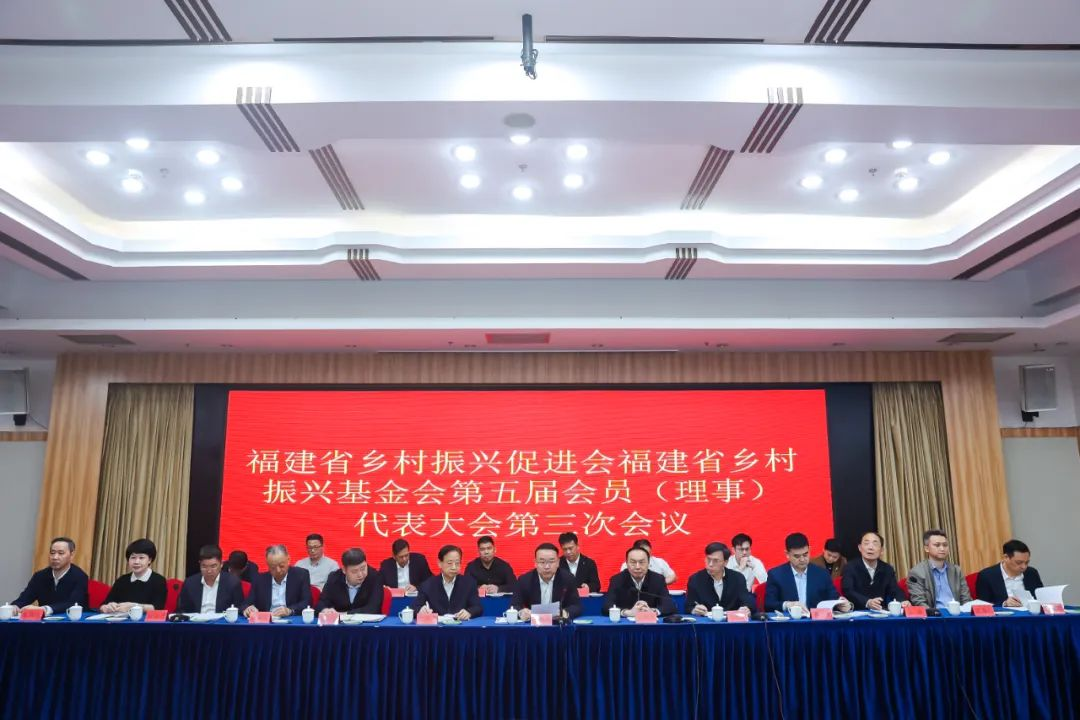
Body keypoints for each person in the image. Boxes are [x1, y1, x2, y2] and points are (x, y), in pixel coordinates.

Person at [764, 533, 852, 614]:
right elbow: (769, 604)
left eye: (805, 554)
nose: (802, 559)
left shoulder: (822, 574)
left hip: (816, 622)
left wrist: (841, 604)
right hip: (789, 622)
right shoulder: (776, 575)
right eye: (797, 556)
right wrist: (787, 605)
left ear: (809, 549)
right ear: (787, 554)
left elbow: (834, 598)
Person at [9, 536, 88, 616]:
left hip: (70, 620)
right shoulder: (40, 576)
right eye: (52, 553)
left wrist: (45, 609)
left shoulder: (80, 576)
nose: (55, 557)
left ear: (71, 555)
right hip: (44, 621)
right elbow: (25, 598)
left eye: (61, 553)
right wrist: (14, 607)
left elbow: (73, 603)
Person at [510, 542, 583, 620]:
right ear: (535, 563)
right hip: (533, 624)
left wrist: (564, 613)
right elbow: (514, 606)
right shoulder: (524, 580)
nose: (547, 567)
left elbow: (576, 606)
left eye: (551, 561)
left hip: (558, 624)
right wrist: (521, 612)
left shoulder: (567, 579)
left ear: (558, 562)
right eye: (542, 562)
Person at [411, 544, 483, 620]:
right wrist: (421, 610)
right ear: (439, 563)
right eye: (449, 563)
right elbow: (414, 608)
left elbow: (478, 607)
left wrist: (469, 612)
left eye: (457, 563)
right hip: (437, 625)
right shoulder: (428, 585)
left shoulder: (469, 583)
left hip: (461, 624)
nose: (454, 567)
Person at [840, 532, 908, 611]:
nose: (870, 547)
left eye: (875, 544)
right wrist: (867, 602)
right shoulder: (850, 567)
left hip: (880, 612)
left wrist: (903, 601)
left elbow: (895, 589)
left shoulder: (887, 569)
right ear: (860, 548)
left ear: (881, 550)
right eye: (866, 543)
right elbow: (848, 590)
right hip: (857, 611)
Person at [603, 545, 676, 617]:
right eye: (633, 562)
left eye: (642, 562)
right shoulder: (617, 580)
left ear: (648, 563)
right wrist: (627, 612)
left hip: (651, 623)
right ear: (627, 564)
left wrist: (654, 611)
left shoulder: (658, 579)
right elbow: (607, 607)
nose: (637, 567)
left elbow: (669, 605)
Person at [907, 529, 972, 609]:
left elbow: (966, 599)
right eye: (937, 545)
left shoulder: (956, 571)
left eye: (945, 545)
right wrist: (934, 613)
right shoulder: (917, 572)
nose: (942, 548)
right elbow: (919, 602)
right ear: (926, 548)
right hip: (934, 614)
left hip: (957, 613)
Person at [241, 544, 313, 618]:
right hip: (267, 621)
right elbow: (245, 604)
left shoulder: (301, 575)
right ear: (268, 565)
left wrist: (290, 611)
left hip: (291, 619)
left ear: (288, 560)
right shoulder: (259, 580)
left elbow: (307, 603)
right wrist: (248, 609)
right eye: (273, 567)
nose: (278, 570)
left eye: (281, 566)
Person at [100, 538, 168, 613]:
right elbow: (105, 604)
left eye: (141, 558)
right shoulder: (122, 580)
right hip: (121, 619)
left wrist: (134, 606)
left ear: (149, 560)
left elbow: (158, 608)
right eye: (133, 557)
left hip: (146, 620)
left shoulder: (159, 581)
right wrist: (106, 607)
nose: (136, 562)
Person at [686, 542, 755, 615]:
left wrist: (746, 608)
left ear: (725, 562)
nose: (710, 564)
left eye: (715, 561)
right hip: (706, 620)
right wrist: (694, 610)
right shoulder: (695, 579)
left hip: (731, 620)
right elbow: (689, 606)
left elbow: (747, 601)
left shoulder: (737, 578)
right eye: (708, 559)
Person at [975, 539, 1044, 607]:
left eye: (1026, 562)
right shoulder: (987, 576)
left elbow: (1041, 598)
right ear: (1006, 557)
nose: (1024, 567)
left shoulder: (1032, 573)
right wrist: (1004, 604)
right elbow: (983, 605)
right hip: (1003, 614)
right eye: (1019, 562)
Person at [176, 544, 244, 614]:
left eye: (213, 566)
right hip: (196, 620)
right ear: (199, 564)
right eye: (204, 566)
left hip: (221, 620)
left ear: (221, 564)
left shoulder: (232, 583)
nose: (209, 571)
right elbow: (181, 610)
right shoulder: (190, 583)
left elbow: (239, 610)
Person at [317, 548, 385, 614]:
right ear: (344, 570)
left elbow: (373, 608)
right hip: (339, 621)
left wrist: (344, 614)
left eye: (363, 568)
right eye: (354, 571)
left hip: (366, 621)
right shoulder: (334, 578)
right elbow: (321, 603)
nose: (360, 574)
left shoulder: (375, 577)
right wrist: (325, 610)